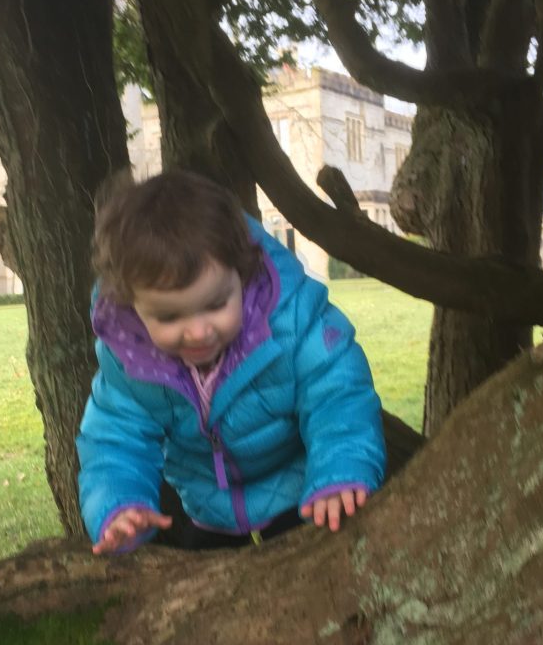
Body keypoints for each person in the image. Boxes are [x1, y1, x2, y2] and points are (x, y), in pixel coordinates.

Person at [78, 170, 386, 555]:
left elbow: (337, 394)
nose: (198, 332)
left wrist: (340, 471)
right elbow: (114, 438)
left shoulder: (292, 321)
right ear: (132, 307)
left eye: (215, 305)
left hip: (302, 493)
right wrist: (118, 506)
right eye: (169, 317)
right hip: (208, 508)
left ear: (243, 274)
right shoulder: (130, 359)